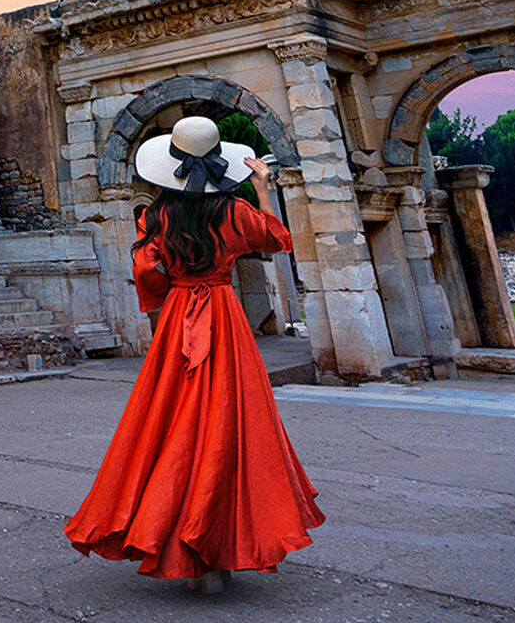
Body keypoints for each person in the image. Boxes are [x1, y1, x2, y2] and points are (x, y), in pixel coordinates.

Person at [64, 114, 323, 592]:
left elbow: (146, 272)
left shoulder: (156, 216)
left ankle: (181, 544)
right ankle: (222, 549)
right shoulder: (233, 210)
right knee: (231, 420)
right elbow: (275, 238)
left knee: (169, 421)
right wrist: (262, 188)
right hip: (224, 315)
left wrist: (167, 288)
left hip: (181, 314)